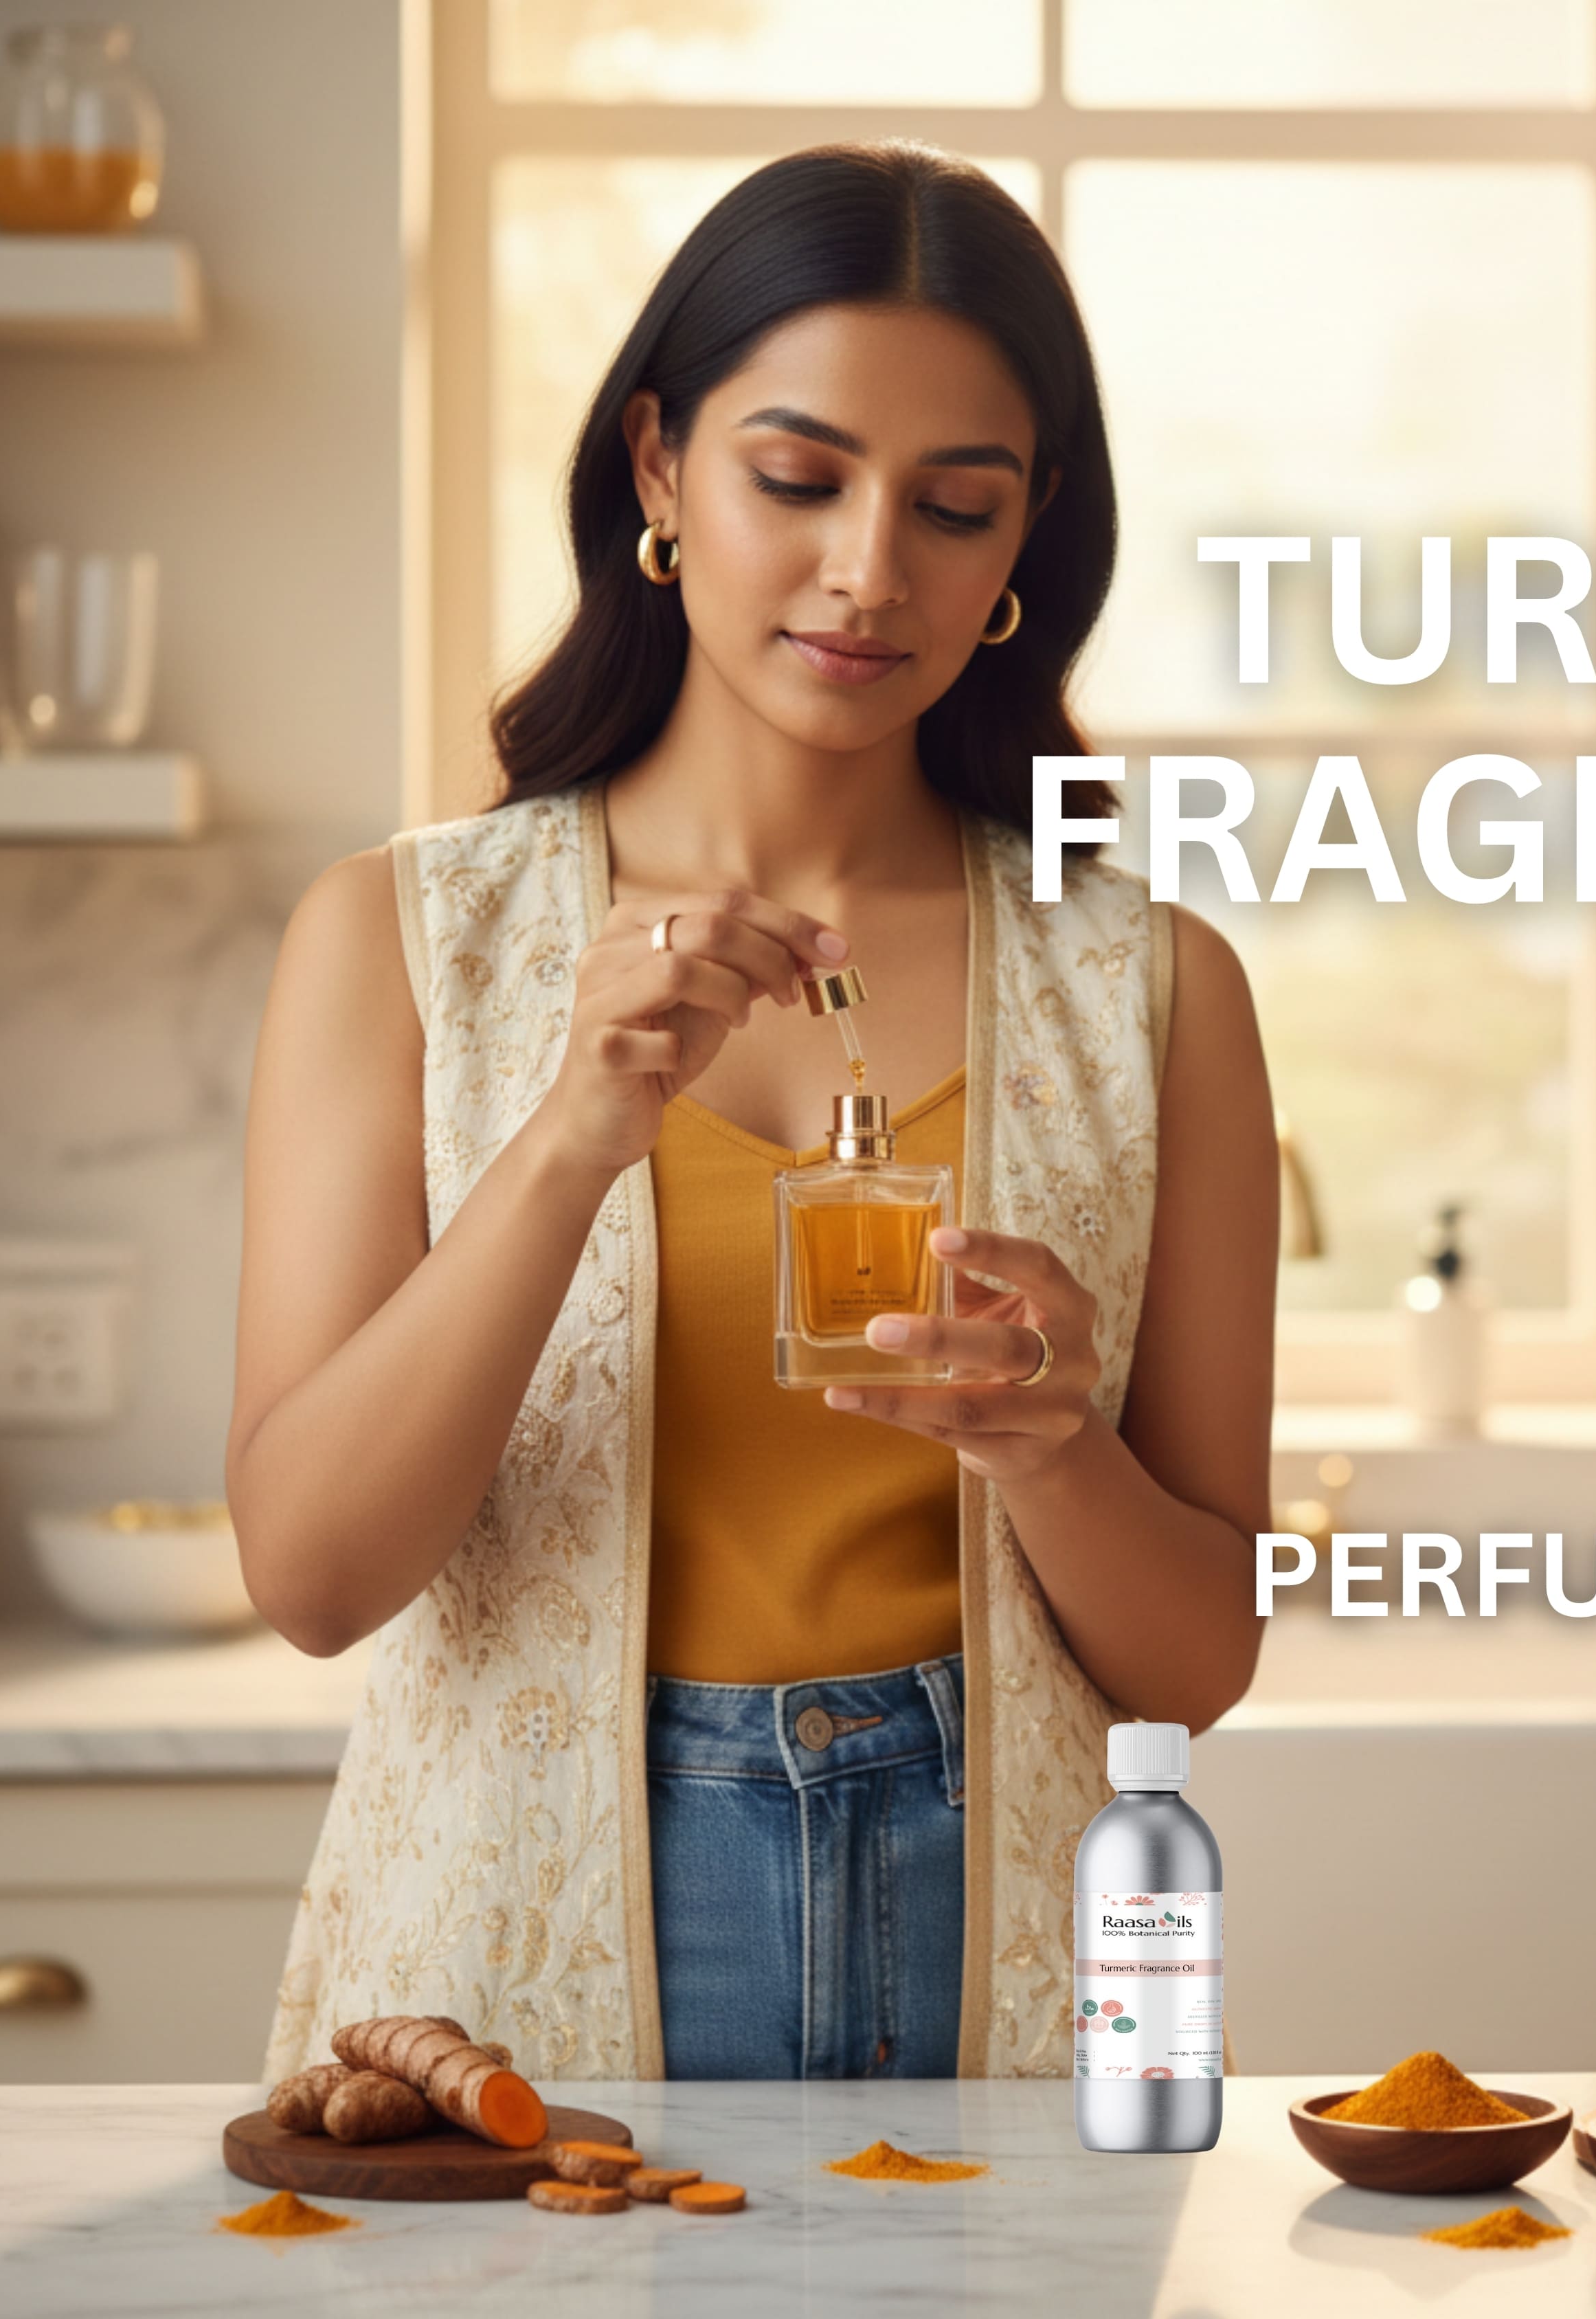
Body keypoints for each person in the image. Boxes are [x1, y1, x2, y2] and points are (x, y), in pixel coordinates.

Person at [232, 144, 1277, 2083]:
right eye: (796, 479)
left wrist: (1052, 1444)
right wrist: (571, 1137)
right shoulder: (405, 942)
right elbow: (309, 1578)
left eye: (955, 508)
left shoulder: (1154, 989)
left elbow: (1199, 1663)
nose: (871, 569)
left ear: (1028, 539)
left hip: (1016, 1956)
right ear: (657, 467)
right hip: (509, 1962)